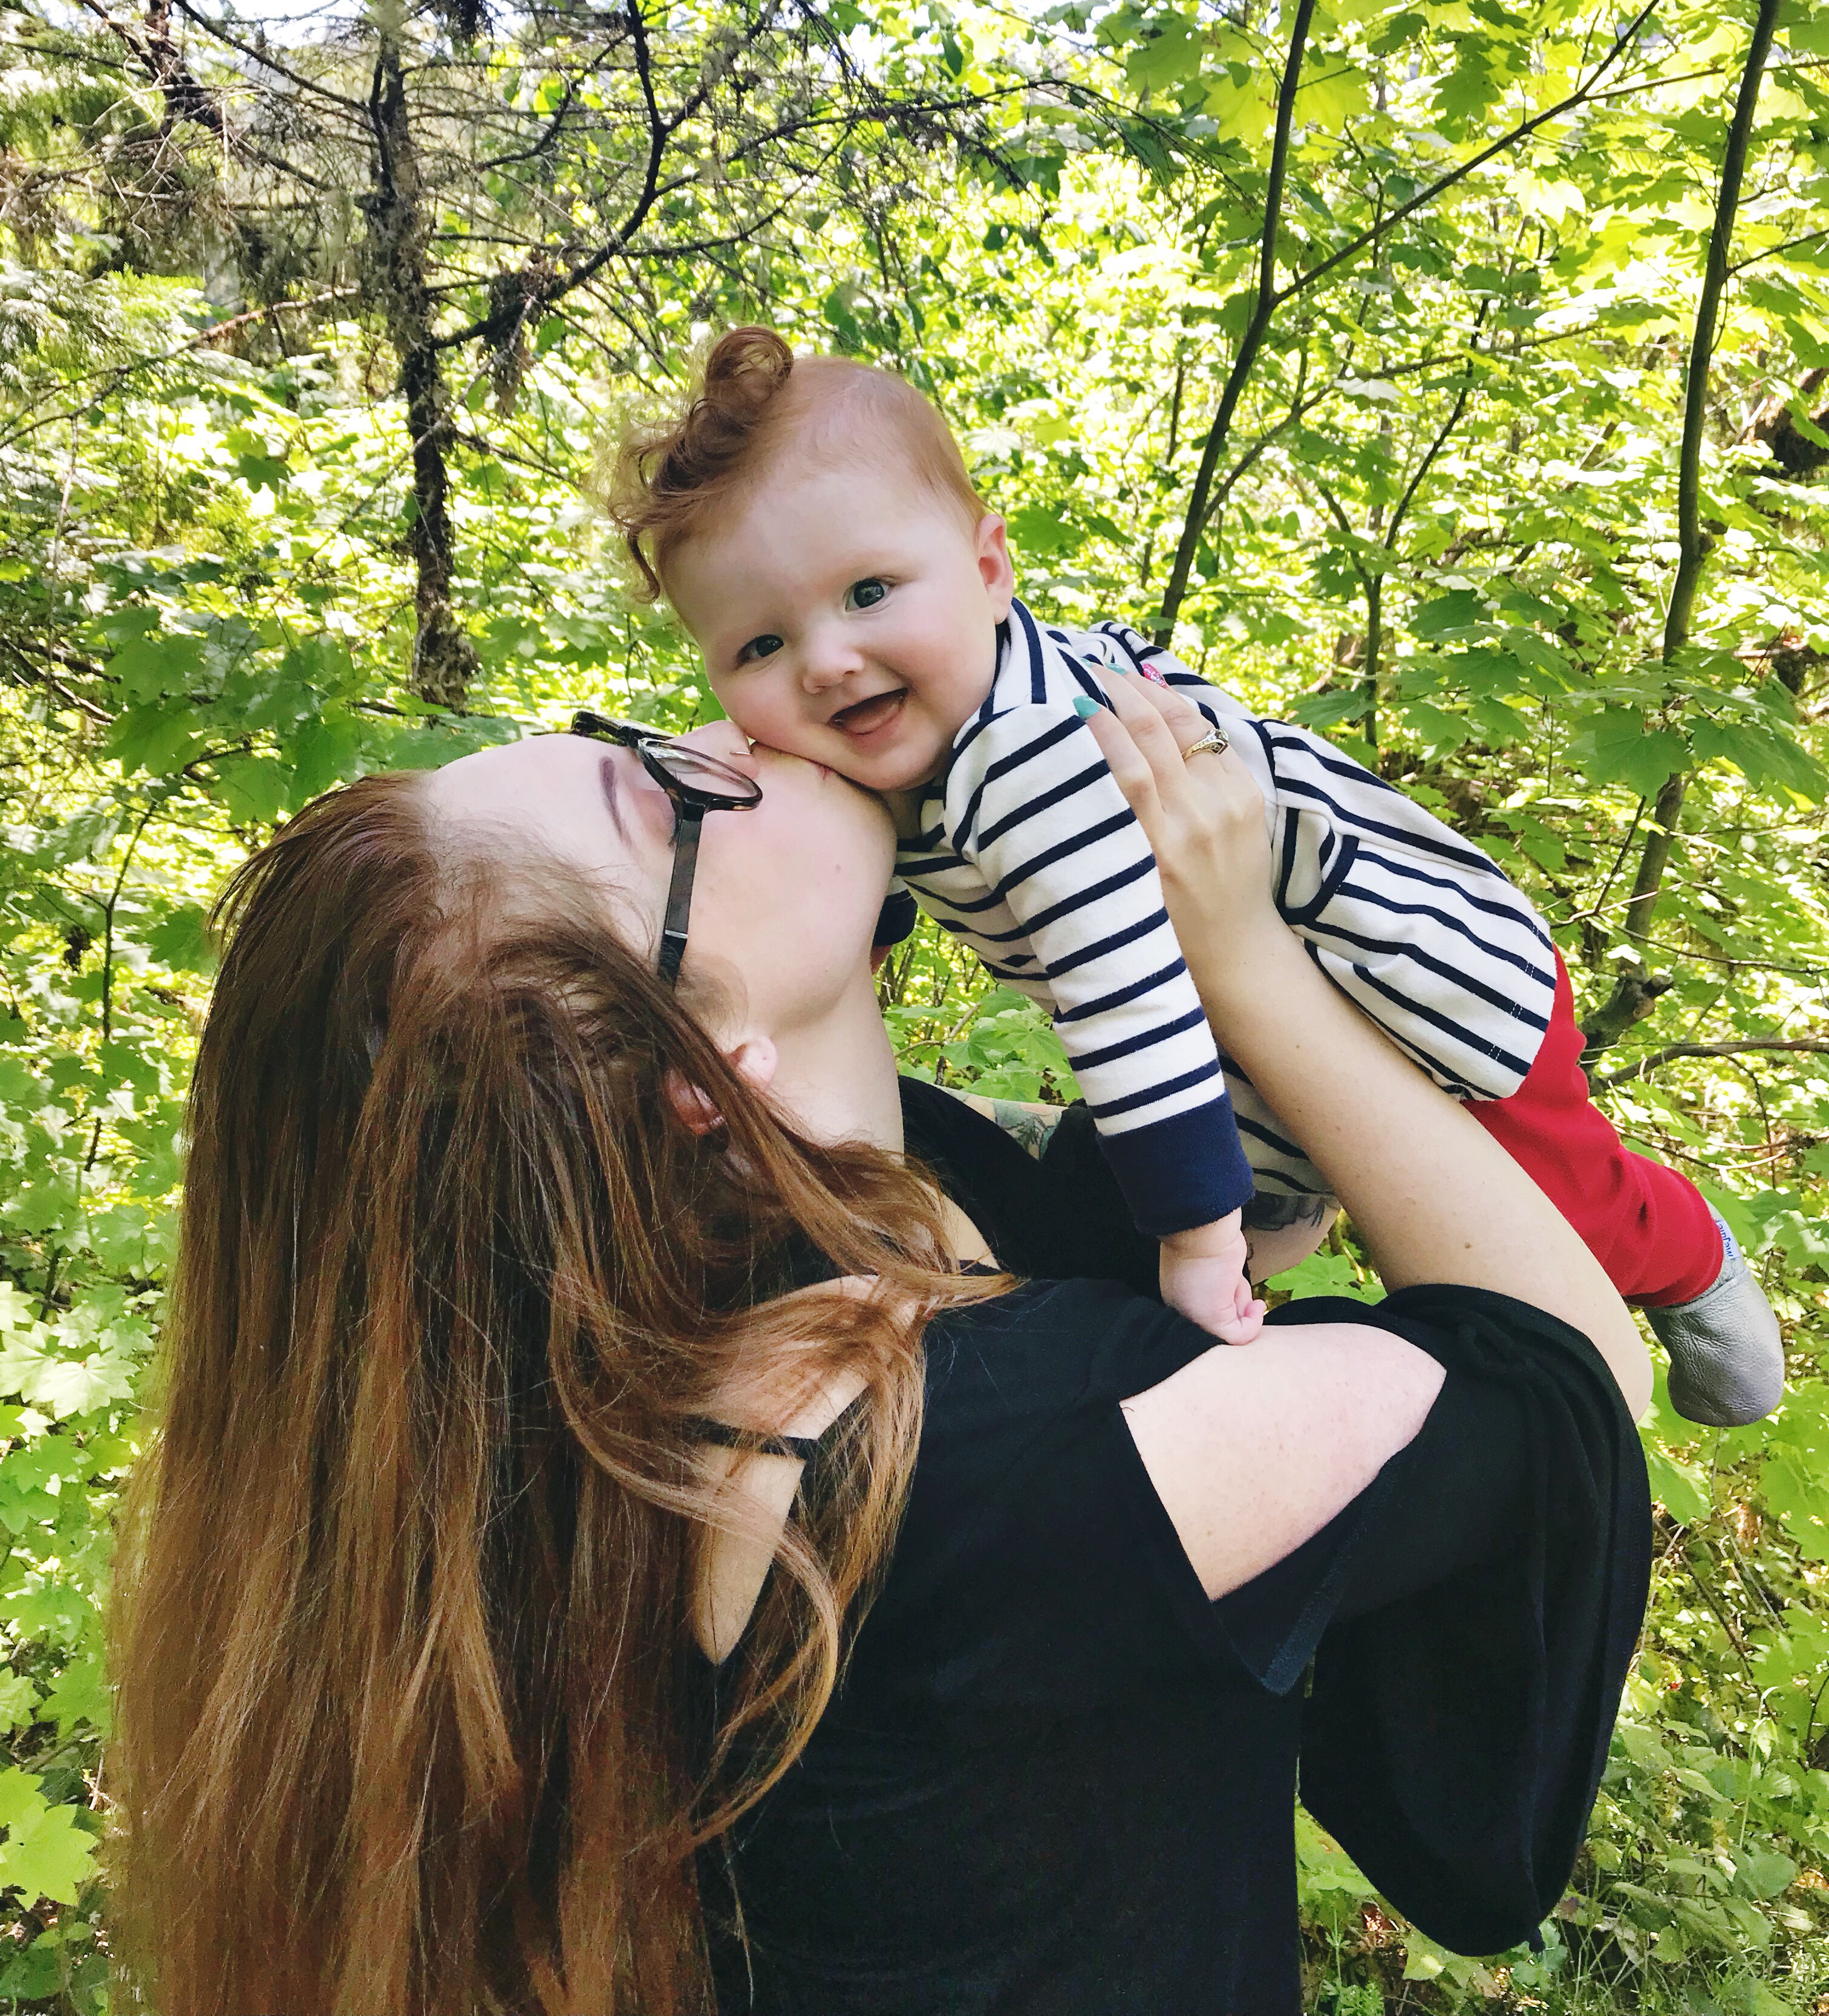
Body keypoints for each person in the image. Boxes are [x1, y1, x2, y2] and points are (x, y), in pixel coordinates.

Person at [110, 667, 1652, 2015]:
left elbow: (1208, 1239)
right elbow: (1576, 1377)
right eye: (662, 796)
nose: (736, 727)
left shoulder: (650, 1346)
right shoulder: (1015, 1459)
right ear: (697, 1067)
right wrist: (1245, 959)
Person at [610, 324, 1784, 1422]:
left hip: (1427, 981)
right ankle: (1281, 1184)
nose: (825, 661)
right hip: (1272, 1030)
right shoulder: (907, 731)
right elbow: (870, 885)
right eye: (759, 645)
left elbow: (1132, 1004)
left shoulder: (1027, 762)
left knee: (1554, 1206)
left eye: (869, 593)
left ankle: (1691, 1258)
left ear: (989, 567)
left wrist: (1197, 1236)